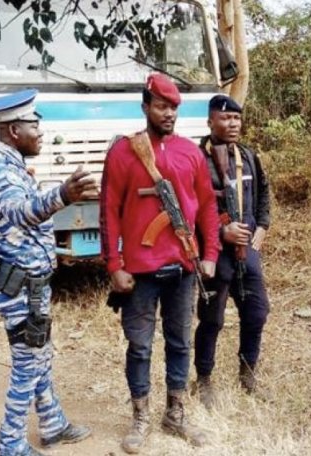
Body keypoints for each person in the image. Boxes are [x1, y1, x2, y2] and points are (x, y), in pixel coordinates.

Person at [99, 74, 221, 454]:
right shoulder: (124, 152)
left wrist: (211, 255)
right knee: (139, 346)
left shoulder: (191, 153)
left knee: (180, 342)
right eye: (161, 106)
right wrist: (113, 263)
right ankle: (140, 416)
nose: (169, 114)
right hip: (139, 268)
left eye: (174, 108)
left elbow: (208, 208)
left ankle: (176, 413)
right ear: (145, 107)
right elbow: (109, 213)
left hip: (183, 266)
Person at [0, 89, 96, 456]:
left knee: (39, 353)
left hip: (28, 282)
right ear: (13, 131)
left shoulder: (8, 164)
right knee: (28, 363)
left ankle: (53, 423)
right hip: (18, 285)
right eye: (34, 126)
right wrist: (63, 195)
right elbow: (21, 211)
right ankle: (9, 445)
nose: (41, 132)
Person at [193, 95, 271, 408]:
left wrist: (262, 227)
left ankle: (248, 372)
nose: (232, 124)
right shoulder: (197, 159)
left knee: (257, 311)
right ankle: (203, 379)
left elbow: (264, 193)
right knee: (212, 318)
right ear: (210, 122)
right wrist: (220, 232)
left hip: (247, 249)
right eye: (225, 119)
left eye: (237, 118)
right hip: (215, 252)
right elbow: (190, 209)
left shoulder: (249, 157)